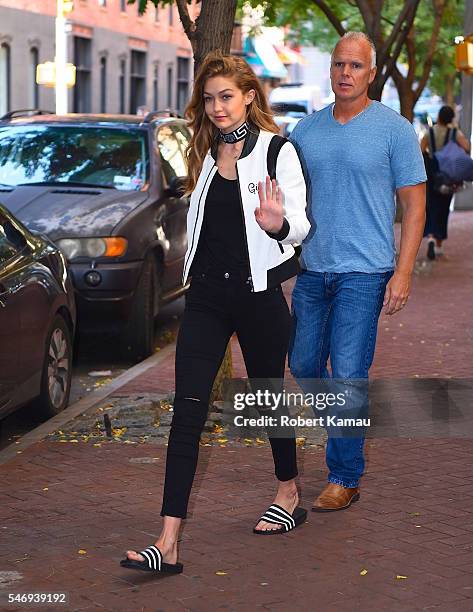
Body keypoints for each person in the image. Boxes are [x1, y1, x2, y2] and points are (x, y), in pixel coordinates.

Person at [120, 52, 310, 574]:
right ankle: (168, 542)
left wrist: (275, 224)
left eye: (226, 95)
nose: (217, 106)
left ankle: (289, 492)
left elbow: (299, 227)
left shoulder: (277, 151)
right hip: (204, 298)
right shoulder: (205, 151)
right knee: (187, 413)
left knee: (268, 398)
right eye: (209, 98)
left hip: (257, 297)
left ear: (249, 95)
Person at [289, 31, 426, 512]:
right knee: (304, 366)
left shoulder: (395, 130)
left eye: (355, 67)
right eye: (338, 64)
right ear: (330, 69)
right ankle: (344, 427)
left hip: (365, 273)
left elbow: (414, 206)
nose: (345, 74)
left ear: (371, 74)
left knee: (348, 373)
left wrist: (404, 271)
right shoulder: (304, 132)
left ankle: (344, 475)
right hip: (312, 271)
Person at [421, 105, 470, 260]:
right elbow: (467, 147)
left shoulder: (430, 132)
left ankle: (430, 237)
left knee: (431, 205)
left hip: (432, 173)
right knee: (443, 207)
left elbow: (422, 148)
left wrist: (431, 157)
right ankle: (439, 244)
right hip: (448, 175)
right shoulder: (454, 133)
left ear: (439, 117)